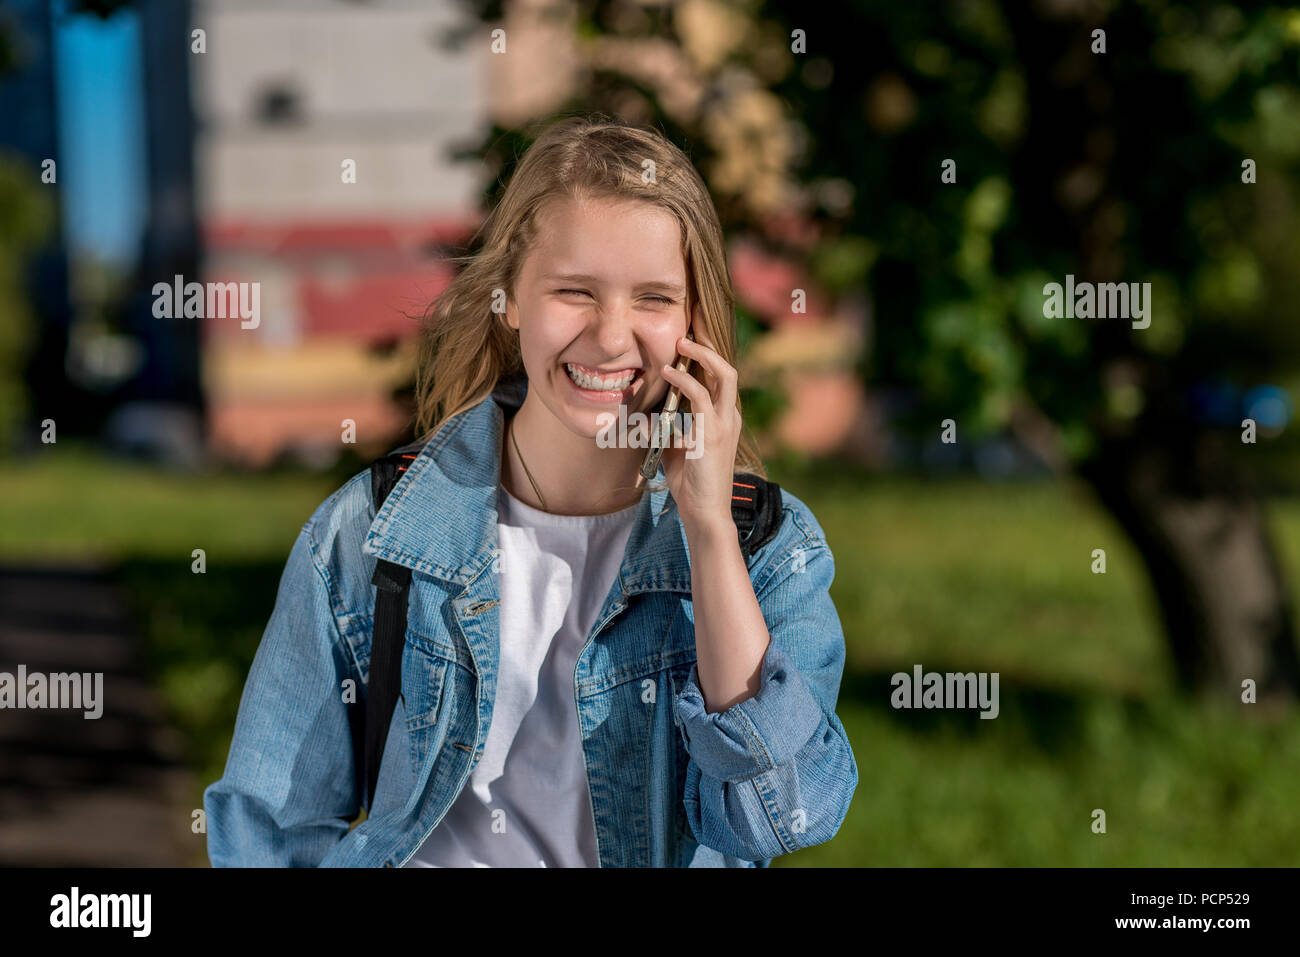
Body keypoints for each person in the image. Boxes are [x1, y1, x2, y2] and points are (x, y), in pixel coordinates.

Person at [204, 113, 858, 867]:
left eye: (652, 298)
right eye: (574, 291)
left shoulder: (769, 549)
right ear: (510, 299)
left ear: (697, 320)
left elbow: (775, 815)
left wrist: (708, 528)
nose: (613, 337)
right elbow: (268, 831)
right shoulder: (369, 532)